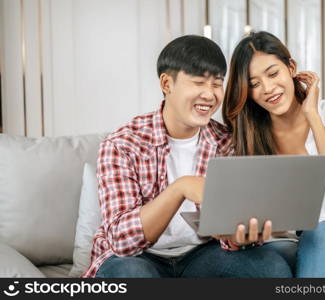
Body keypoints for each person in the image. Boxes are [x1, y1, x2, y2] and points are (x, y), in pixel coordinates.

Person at [82, 35, 293, 278]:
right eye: (198, 83)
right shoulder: (122, 144)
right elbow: (123, 242)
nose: (209, 94)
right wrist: (180, 188)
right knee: (129, 275)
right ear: (166, 84)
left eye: (216, 84)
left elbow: (232, 232)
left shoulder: (226, 143)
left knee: (270, 268)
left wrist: (238, 237)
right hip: (139, 258)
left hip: (202, 254)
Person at [222, 31, 325, 277]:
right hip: (278, 245)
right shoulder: (248, 134)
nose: (267, 88)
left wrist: (313, 116)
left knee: (317, 234)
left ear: (291, 67)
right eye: (254, 84)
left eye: (273, 73)